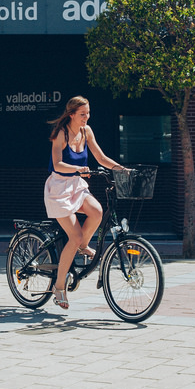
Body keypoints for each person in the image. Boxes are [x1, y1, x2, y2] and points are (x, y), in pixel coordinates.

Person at [44, 96, 124, 310]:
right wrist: (78, 169)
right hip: (59, 189)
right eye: (82, 114)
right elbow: (57, 164)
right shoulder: (60, 134)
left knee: (97, 211)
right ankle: (59, 287)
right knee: (75, 235)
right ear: (71, 114)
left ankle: (81, 247)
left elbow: (101, 157)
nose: (86, 117)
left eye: (88, 113)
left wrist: (122, 169)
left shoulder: (86, 131)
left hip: (76, 185)